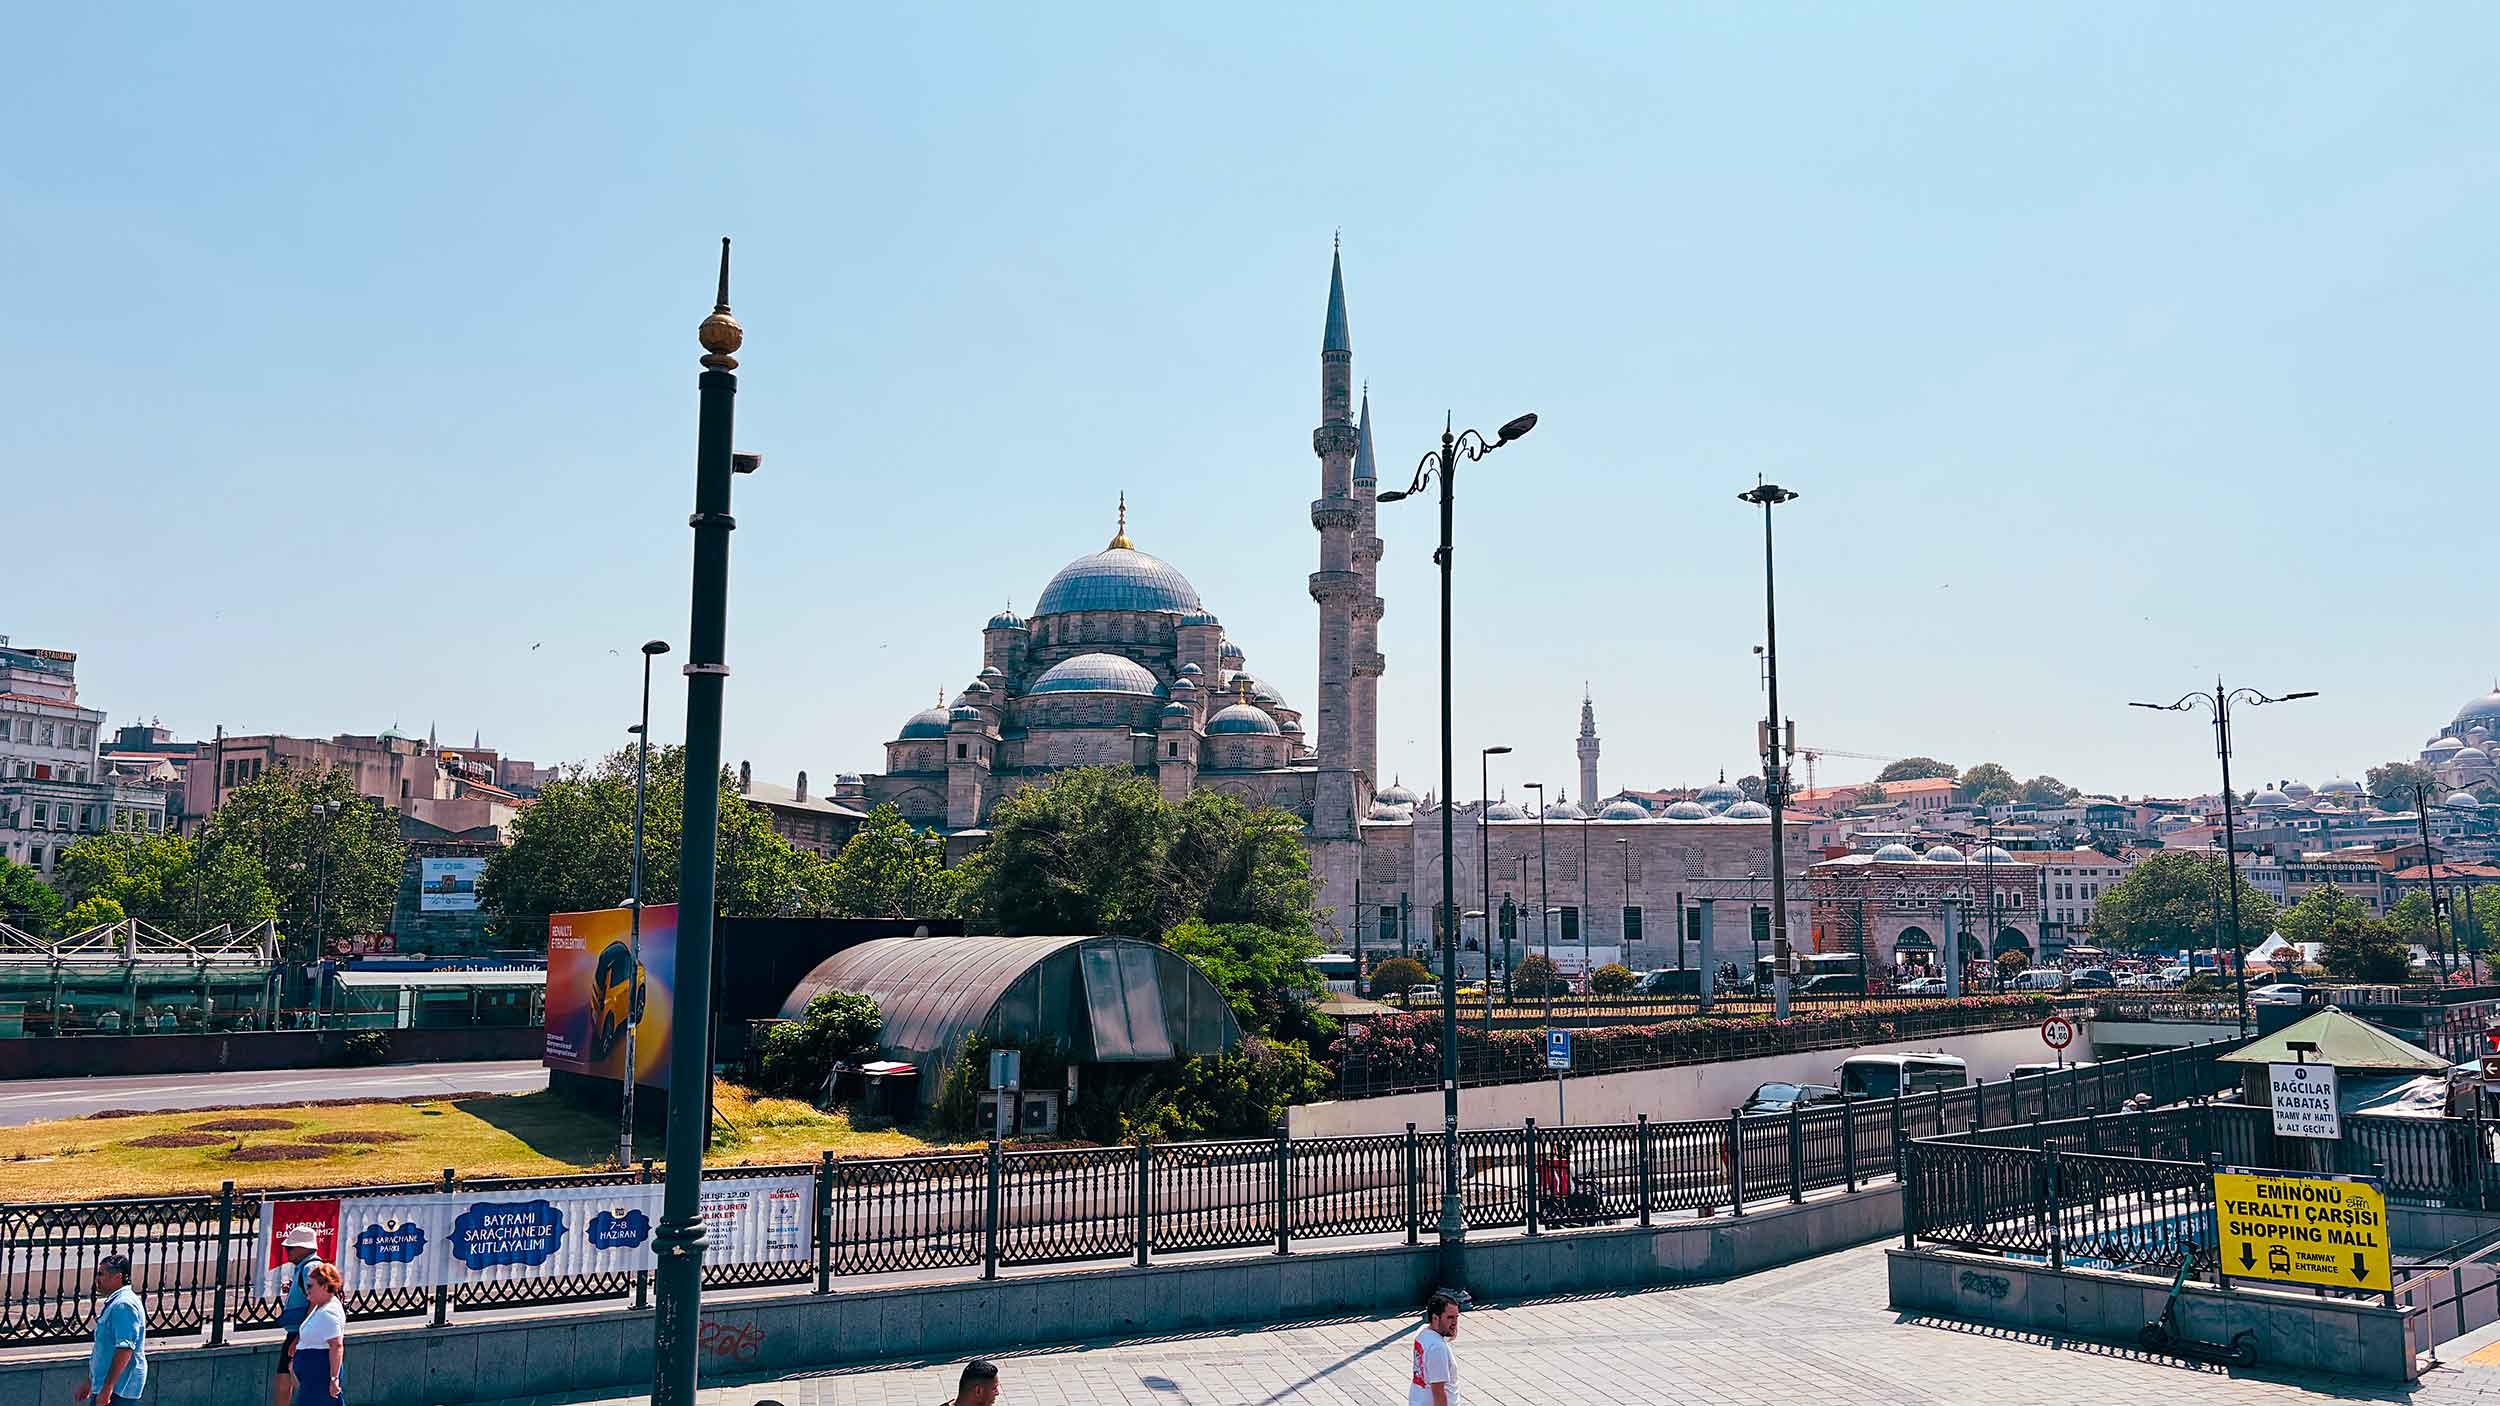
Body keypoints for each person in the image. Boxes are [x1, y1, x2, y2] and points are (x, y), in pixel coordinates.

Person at [77, 1253, 146, 1404]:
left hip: (119, 1390)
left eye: (102, 1274)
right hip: (106, 1386)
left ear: (118, 1277)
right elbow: (105, 1349)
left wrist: (108, 1388)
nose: (97, 1280)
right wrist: (91, 1381)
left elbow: (125, 1349)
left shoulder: (124, 1305)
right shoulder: (117, 1302)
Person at [270, 1224, 320, 1406]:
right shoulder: (305, 1267)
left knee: (293, 1375)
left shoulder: (310, 1267)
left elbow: (316, 1301)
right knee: (286, 1373)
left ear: (304, 1248)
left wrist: (301, 1335)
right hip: (299, 1330)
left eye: (291, 1247)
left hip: (303, 1330)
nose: (287, 1251)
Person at [289, 1263, 347, 1406]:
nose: (307, 1290)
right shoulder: (321, 1307)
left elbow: (336, 1346)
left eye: (311, 1286)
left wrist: (334, 1378)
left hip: (320, 1373)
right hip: (313, 1375)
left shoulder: (329, 1312)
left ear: (325, 1287)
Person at [1408, 1292, 1460, 1406]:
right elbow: (1439, 1393)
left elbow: (1450, 1335)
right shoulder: (1437, 1348)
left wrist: (1450, 1327)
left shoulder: (1423, 1332)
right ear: (1435, 1318)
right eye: (1450, 1317)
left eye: (1457, 1317)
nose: (1455, 1323)